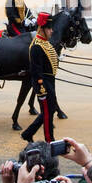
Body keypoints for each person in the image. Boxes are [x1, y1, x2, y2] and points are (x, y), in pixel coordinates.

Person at [21, 13, 59, 143]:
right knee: (48, 113)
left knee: (50, 110)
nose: (51, 31)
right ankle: (50, 140)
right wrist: (41, 90)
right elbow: (36, 72)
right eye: (49, 28)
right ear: (42, 29)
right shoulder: (37, 46)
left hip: (50, 82)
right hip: (43, 85)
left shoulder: (44, 43)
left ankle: (28, 133)